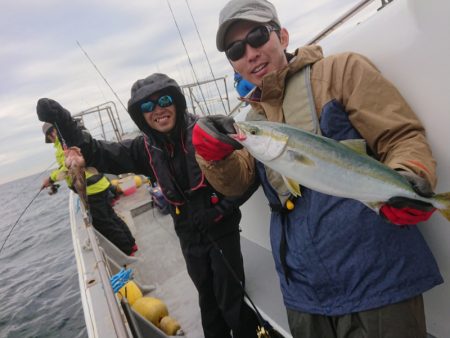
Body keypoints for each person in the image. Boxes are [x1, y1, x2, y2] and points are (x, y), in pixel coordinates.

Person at [191, 0, 443, 337]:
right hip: (304, 293)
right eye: (236, 49)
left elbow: (400, 135)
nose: (249, 53)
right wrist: (213, 156)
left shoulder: (340, 71)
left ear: (282, 35)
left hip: (378, 277)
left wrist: (410, 176)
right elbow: (236, 185)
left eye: (257, 36)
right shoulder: (253, 122)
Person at [36, 73, 260, 338]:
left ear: (177, 102)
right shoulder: (145, 148)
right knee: (208, 302)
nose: (158, 110)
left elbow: (251, 174)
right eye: (147, 107)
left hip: (220, 228)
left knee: (231, 301)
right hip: (187, 234)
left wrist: (222, 210)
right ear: (140, 115)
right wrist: (65, 123)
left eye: (165, 100)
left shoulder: (205, 130)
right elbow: (99, 153)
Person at [41, 122, 137, 256]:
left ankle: (127, 251)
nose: (52, 136)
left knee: (105, 224)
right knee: (110, 216)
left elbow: (67, 167)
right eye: (49, 135)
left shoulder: (66, 144)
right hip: (100, 185)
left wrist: (51, 179)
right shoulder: (65, 144)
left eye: (52, 132)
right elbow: (67, 166)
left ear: (55, 131)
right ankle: (132, 244)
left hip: (92, 190)